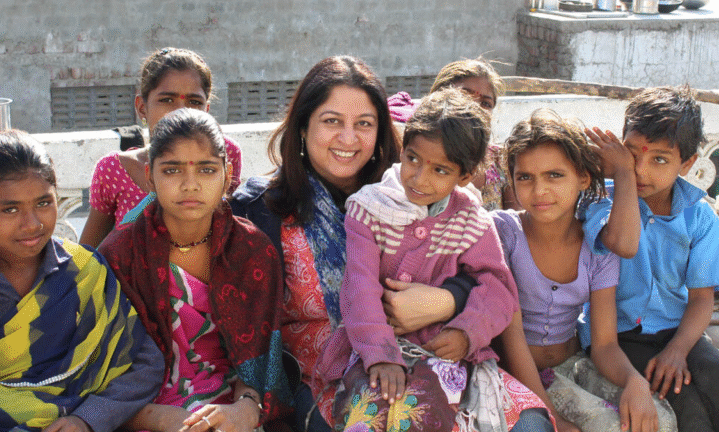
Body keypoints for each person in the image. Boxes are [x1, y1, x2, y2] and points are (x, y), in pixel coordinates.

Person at [231, 56, 481, 432]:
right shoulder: (260, 210)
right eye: (332, 121)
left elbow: (483, 273)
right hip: (314, 380)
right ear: (302, 127)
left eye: (363, 124)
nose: (348, 139)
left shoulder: (415, 194)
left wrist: (449, 299)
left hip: (423, 360)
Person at [316, 89, 554, 432]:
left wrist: (466, 332)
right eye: (413, 159)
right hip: (375, 349)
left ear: (464, 176)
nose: (420, 177)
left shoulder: (472, 220)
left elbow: (498, 289)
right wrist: (381, 356)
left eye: (440, 170)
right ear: (402, 150)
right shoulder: (368, 209)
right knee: (375, 415)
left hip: (448, 352)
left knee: (441, 413)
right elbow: (359, 288)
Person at [0, 130, 163, 432]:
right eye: (10, 209)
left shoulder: (86, 272)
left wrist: (88, 418)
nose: (33, 223)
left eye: (43, 203)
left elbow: (144, 365)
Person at [98, 108, 290, 432]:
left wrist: (245, 410)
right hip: (144, 412)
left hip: (229, 411)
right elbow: (102, 375)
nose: (190, 185)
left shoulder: (252, 252)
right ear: (149, 177)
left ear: (227, 176)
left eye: (206, 169)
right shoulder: (121, 256)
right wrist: (157, 418)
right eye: (172, 171)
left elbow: (261, 368)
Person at [493, 109, 676, 432]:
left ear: (582, 178)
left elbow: (604, 344)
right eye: (525, 177)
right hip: (513, 372)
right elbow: (512, 335)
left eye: (554, 175)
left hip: (571, 366)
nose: (539, 191)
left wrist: (635, 382)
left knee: (655, 417)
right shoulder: (505, 233)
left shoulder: (597, 247)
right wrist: (552, 416)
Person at [579, 86, 719, 432]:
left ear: (686, 164)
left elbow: (702, 299)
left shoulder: (698, 217)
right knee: (685, 406)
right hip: (619, 338)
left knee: (713, 375)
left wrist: (678, 350)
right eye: (631, 155)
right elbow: (623, 244)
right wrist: (621, 175)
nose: (640, 170)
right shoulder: (601, 202)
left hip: (679, 331)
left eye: (659, 159)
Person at [80, 47, 242, 248]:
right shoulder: (113, 170)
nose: (181, 111)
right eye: (167, 100)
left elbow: (230, 229)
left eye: (194, 102)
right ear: (142, 107)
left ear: (206, 111)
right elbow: (87, 252)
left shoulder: (225, 154)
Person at [388, 58, 517, 210]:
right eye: (465, 95)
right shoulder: (412, 154)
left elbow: (515, 223)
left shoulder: (500, 160)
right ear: (437, 99)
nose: (474, 106)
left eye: (485, 103)